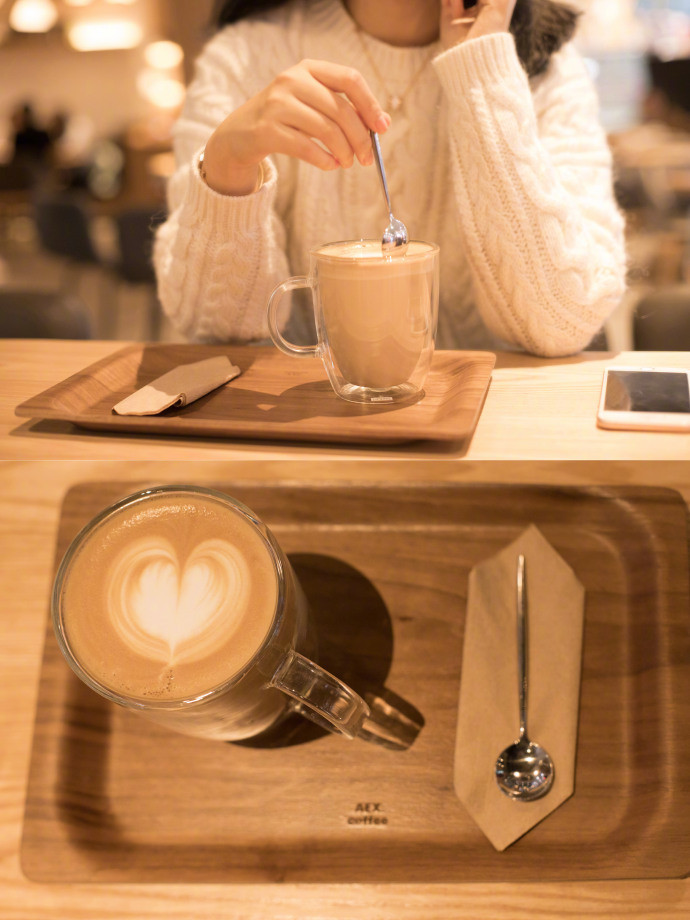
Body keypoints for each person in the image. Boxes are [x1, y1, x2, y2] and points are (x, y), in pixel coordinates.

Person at [154, 0, 627, 356]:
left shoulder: (544, 66)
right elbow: (213, 328)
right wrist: (228, 167)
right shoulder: (243, 58)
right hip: (310, 439)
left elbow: (560, 322)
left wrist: (481, 69)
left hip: (496, 439)